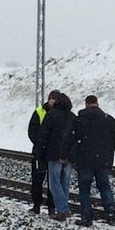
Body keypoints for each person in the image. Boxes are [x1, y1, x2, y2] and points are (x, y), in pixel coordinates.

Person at [70, 95, 115, 227]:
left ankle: (86, 217)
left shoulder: (79, 120)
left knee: (85, 189)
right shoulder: (109, 120)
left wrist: (65, 155)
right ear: (97, 104)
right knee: (104, 186)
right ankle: (110, 211)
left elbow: (69, 139)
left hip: (84, 161)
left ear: (86, 104)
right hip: (103, 161)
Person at [38, 92, 76, 221]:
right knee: (65, 183)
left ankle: (62, 210)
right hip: (69, 156)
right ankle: (64, 208)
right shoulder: (73, 116)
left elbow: (44, 134)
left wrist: (40, 151)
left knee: (54, 183)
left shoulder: (51, 115)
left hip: (54, 154)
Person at [27, 90, 59, 215]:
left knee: (53, 181)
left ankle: (51, 206)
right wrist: (40, 143)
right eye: (52, 99)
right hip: (40, 152)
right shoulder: (39, 111)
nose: (53, 101)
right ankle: (37, 205)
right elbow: (32, 131)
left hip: (53, 153)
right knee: (37, 180)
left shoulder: (60, 113)